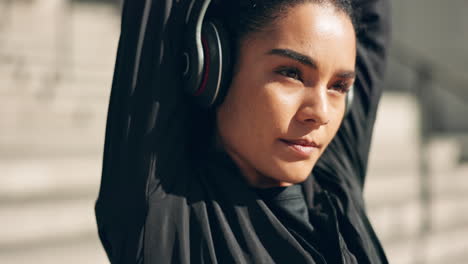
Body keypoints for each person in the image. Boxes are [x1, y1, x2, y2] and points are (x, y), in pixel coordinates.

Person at [95, 0, 391, 263]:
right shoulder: (165, 213)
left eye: (339, 86)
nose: (322, 114)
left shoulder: (335, 182)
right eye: (291, 73)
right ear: (212, 68)